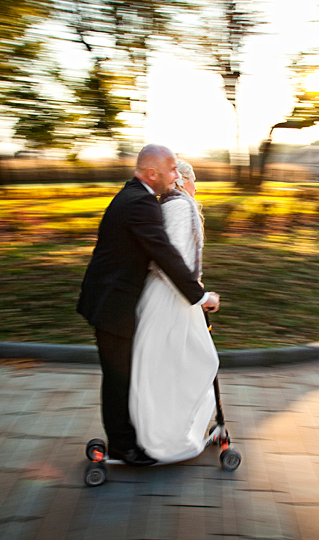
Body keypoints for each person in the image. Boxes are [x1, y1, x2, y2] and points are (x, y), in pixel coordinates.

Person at [77, 144, 220, 467]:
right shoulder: (141, 202)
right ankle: (123, 448)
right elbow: (165, 256)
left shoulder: (134, 196)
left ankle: (131, 437)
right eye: (171, 170)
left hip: (112, 299)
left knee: (127, 374)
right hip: (113, 304)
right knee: (119, 378)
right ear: (152, 173)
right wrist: (199, 296)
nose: (176, 176)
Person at [129, 159, 220, 463]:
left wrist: (194, 287)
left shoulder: (168, 204)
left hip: (171, 295)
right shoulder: (181, 206)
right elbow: (171, 262)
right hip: (171, 299)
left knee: (168, 366)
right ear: (182, 180)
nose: (197, 188)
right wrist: (200, 295)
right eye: (194, 181)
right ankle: (169, 438)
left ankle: (165, 432)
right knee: (198, 362)